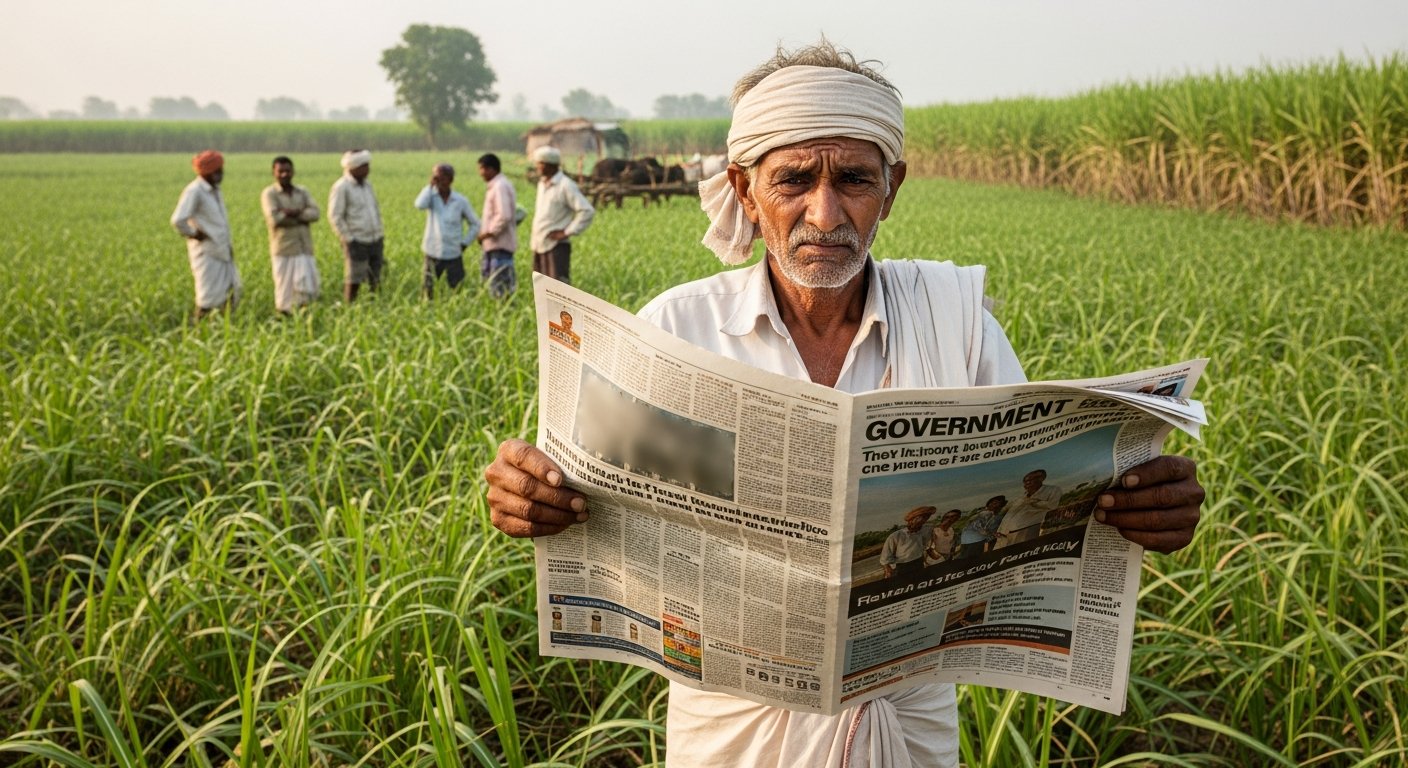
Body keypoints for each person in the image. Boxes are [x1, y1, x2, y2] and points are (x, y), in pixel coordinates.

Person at [484, 41, 1205, 768]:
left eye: (853, 179)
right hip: (731, 732)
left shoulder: (956, 326)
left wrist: (1138, 505)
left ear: (890, 190)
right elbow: (582, 491)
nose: (824, 213)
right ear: (743, 188)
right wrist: (532, 497)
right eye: (794, 179)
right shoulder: (677, 329)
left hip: (906, 724)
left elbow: (1043, 496)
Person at [170, 149, 241, 319]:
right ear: (208, 172)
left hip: (221, 249)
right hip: (206, 253)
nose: (221, 174)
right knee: (207, 298)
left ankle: (224, 329)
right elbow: (178, 219)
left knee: (231, 290)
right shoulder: (194, 191)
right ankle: (199, 330)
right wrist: (195, 233)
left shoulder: (214, 190)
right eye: (217, 171)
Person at [259, 155, 321, 313]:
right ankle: (284, 319)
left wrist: (292, 213)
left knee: (306, 290)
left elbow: (315, 214)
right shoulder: (270, 193)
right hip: (284, 249)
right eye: (280, 171)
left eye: (287, 170)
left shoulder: (302, 191)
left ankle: (304, 320)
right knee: (285, 292)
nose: (284, 174)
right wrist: (301, 216)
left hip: (304, 248)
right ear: (274, 172)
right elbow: (275, 219)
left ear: (293, 171)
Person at [529, 146, 594, 284]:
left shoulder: (565, 185)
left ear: (549, 165)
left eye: (539, 163)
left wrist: (566, 232)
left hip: (556, 246)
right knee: (541, 289)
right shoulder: (542, 184)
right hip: (540, 243)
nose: (537, 167)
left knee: (558, 289)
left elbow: (587, 210)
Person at [414, 163, 480, 299]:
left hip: (454, 253)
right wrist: (430, 186)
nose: (439, 181)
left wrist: (465, 243)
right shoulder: (431, 198)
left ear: (450, 179)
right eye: (436, 178)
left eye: (442, 178)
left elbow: (475, 224)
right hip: (432, 252)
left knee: (457, 289)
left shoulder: (460, 201)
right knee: (428, 289)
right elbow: (419, 205)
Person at [328, 149, 384, 303]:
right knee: (354, 279)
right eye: (364, 166)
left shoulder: (367, 186)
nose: (367, 170)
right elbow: (335, 216)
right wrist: (348, 239)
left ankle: (374, 307)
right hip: (357, 241)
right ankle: (349, 308)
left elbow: (375, 209)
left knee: (375, 278)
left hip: (375, 238)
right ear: (352, 167)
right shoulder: (341, 187)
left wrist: (380, 232)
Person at [476, 153, 519, 298]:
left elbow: (504, 215)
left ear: (491, 169)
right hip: (494, 245)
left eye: (482, 169)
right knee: (493, 284)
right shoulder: (496, 185)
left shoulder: (500, 186)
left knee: (499, 286)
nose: (480, 173)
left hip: (499, 244)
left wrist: (488, 233)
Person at [995, 469, 1063, 549]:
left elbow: (1052, 506)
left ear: (1041, 479)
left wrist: (1033, 501)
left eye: (1030, 480)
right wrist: (999, 528)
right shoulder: (1020, 497)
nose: (1026, 484)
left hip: (1025, 531)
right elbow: (1005, 511)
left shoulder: (1053, 490)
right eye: (1025, 482)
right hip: (1002, 534)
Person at [879, 506, 935, 578]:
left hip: (919, 562)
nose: (922, 520)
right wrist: (887, 570)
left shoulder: (926, 530)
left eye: (926, 518)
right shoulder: (895, 536)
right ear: (911, 519)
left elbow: (928, 545)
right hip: (902, 566)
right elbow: (885, 558)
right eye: (920, 517)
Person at [957, 495, 1006, 560]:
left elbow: (993, 530)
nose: (994, 505)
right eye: (992, 503)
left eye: (997, 503)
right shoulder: (981, 513)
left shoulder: (998, 518)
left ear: (1000, 506)